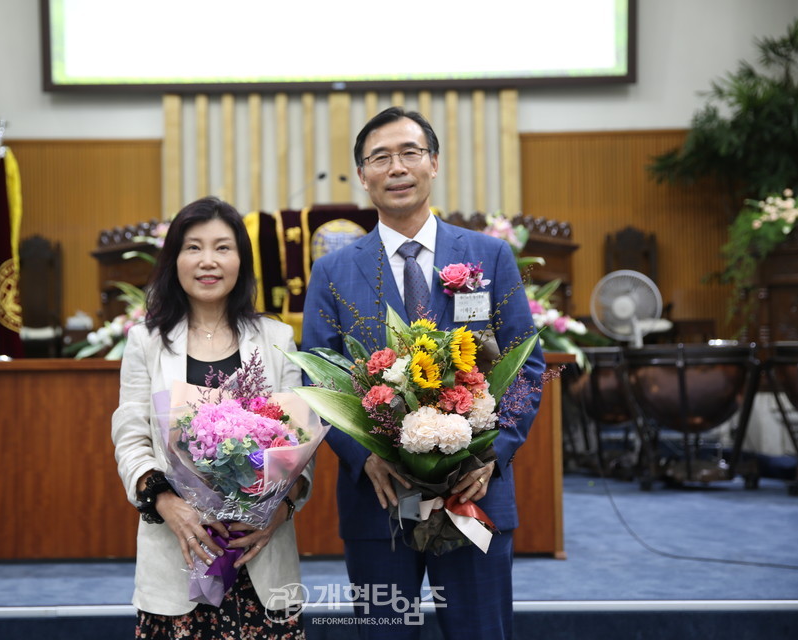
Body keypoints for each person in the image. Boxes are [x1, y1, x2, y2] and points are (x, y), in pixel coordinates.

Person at [301, 107, 545, 639]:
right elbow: (317, 378)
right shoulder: (334, 270)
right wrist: (364, 459)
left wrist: (494, 454)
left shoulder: (487, 255)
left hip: (472, 491)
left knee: (481, 631)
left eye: (410, 152)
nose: (397, 167)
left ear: (433, 163)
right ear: (363, 176)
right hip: (380, 500)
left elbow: (527, 366)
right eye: (379, 158)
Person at [113, 196, 312, 639]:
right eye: (193, 247)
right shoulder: (145, 342)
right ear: (175, 259)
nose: (208, 261)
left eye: (223, 247)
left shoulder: (277, 338)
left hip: (259, 556)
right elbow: (130, 439)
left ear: (241, 259)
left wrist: (279, 510)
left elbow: (301, 444)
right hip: (178, 552)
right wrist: (168, 504)